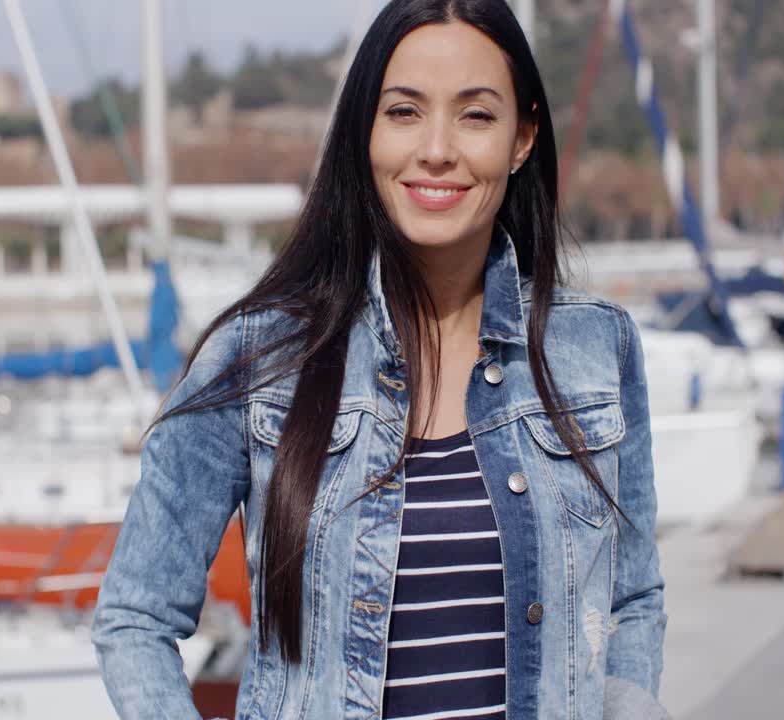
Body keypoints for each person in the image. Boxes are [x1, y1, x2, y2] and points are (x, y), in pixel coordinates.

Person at [92, 1, 666, 718]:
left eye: (476, 115)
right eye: (403, 112)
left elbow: (632, 599)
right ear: (364, 130)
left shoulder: (594, 348)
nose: (437, 149)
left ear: (522, 139)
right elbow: (135, 618)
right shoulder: (259, 356)